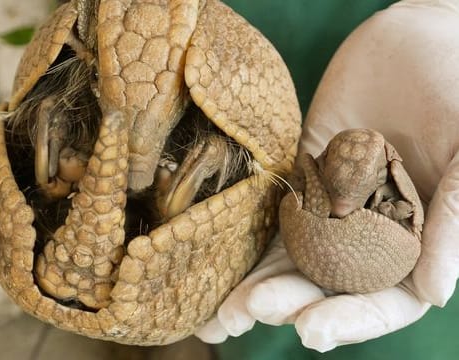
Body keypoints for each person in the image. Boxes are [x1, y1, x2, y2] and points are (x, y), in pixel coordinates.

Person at [196, 0, 459, 357]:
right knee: (246, 311)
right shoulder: (320, 172)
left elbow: (397, 206)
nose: (343, 208)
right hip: (230, 92)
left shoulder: (387, 187)